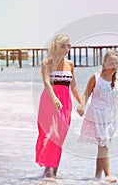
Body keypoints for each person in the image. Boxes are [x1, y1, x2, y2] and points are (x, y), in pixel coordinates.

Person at [35, 34, 83, 178]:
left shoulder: (70, 64)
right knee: (50, 135)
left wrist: (80, 103)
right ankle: (48, 170)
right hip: (49, 101)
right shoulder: (47, 63)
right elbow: (46, 82)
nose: (67, 49)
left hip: (65, 102)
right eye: (64, 46)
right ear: (56, 47)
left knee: (60, 135)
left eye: (69, 46)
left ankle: (52, 170)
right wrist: (54, 98)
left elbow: (73, 86)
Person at [77, 50, 118, 183]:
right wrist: (81, 106)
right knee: (104, 146)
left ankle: (97, 176)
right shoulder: (96, 78)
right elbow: (86, 94)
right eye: (111, 62)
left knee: (103, 145)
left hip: (110, 119)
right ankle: (108, 175)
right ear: (104, 63)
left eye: (116, 63)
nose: (114, 65)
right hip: (96, 116)